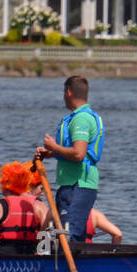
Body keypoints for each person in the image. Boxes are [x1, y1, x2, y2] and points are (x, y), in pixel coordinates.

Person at [34, 76, 104, 244]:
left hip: (78, 184)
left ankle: (67, 266)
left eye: (63, 92)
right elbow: (74, 153)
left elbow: (79, 154)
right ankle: (44, 261)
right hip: (69, 184)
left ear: (68, 92)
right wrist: (51, 154)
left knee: (68, 233)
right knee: (54, 233)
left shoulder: (81, 119)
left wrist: (54, 146)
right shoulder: (78, 117)